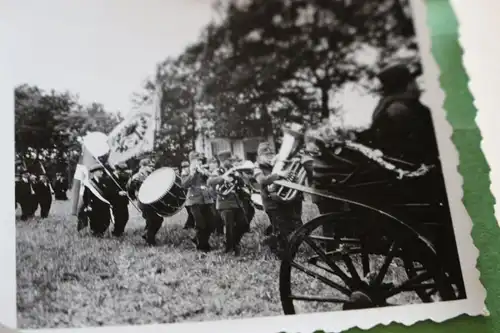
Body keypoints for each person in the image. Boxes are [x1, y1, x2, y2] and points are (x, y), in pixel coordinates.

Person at [254, 142, 303, 258]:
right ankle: (281, 254)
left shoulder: (279, 164)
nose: (270, 156)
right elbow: (262, 180)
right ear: (260, 156)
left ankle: (275, 245)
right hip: (271, 203)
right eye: (266, 154)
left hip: (284, 201)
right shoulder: (257, 167)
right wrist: (279, 174)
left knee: (294, 226)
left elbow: (290, 177)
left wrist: (292, 177)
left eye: (271, 153)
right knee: (281, 229)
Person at [207, 150, 248, 256]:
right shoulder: (218, 171)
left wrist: (239, 176)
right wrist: (223, 177)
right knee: (229, 227)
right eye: (229, 160)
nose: (231, 162)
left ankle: (235, 242)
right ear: (223, 161)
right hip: (224, 203)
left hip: (236, 202)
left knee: (244, 224)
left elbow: (242, 183)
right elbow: (210, 182)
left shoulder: (233, 170)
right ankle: (230, 248)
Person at [181, 151, 215, 252]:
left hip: (206, 199)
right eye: (197, 160)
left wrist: (205, 172)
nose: (199, 161)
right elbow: (184, 185)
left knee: (211, 223)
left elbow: (210, 179)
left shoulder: (203, 169)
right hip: (194, 200)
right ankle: (203, 246)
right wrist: (192, 174)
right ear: (192, 160)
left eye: (200, 160)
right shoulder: (186, 171)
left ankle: (197, 239)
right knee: (201, 224)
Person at [127, 158, 162, 245]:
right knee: (156, 219)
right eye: (149, 166)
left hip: (150, 201)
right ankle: (149, 238)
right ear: (143, 166)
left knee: (151, 221)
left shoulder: (149, 175)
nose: (152, 168)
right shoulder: (138, 176)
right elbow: (129, 186)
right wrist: (134, 195)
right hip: (144, 201)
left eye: (152, 166)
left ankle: (148, 236)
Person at [82, 165, 114, 237]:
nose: (101, 173)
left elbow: (108, 193)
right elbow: (86, 196)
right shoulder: (89, 183)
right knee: (95, 220)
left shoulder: (105, 181)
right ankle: (96, 233)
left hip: (104, 205)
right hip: (94, 205)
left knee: (106, 219)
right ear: (94, 172)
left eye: (102, 171)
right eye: (99, 171)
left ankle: (102, 232)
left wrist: (111, 202)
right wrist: (87, 205)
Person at [108, 162, 130, 237]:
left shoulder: (122, 177)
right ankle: (117, 232)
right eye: (121, 171)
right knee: (118, 217)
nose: (122, 172)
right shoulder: (110, 178)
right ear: (117, 169)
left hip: (123, 201)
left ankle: (120, 231)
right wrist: (118, 192)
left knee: (126, 217)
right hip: (115, 201)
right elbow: (109, 190)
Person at [180, 160, 195, 230]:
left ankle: (188, 226)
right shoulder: (184, 174)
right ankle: (187, 226)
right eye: (184, 167)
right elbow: (185, 184)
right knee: (191, 213)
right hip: (188, 197)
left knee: (191, 213)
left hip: (190, 196)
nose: (186, 168)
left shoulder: (186, 173)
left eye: (187, 166)